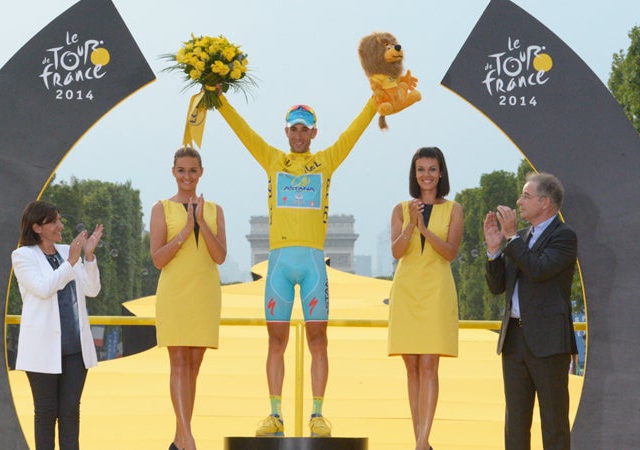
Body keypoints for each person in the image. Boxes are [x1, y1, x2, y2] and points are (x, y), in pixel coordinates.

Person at [216, 93, 377, 438]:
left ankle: (318, 414)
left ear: (314, 133)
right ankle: (275, 414)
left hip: (313, 263)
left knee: (319, 340)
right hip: (279, 264)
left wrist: (374, 101)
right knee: (276, 341)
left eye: (305, 130)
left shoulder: (326, 161)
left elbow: (353, 132)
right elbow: (244, 133)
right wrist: (219, 99)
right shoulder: (273, 159)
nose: (299, 135)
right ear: (286, 133)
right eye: (294, 130)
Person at [483, 172, 578, 450]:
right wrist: (493, 251)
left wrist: (512, 239)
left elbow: (538, 270)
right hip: (513, 341)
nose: (518, 201)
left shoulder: (564, 236)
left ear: (546, 202)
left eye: (526, 195)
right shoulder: (520, 239)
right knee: (515, 423)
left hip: (548, 342)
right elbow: (497, 286)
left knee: (554, 422)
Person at [150, 146, 227, 450]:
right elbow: (158, 259)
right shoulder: (161, 209)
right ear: (173, 172)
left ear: (201, 172)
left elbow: (220, 256)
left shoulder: (215, 210)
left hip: (205, 292)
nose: (187, 176)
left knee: (194, 366)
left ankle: (180, 439)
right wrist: (184, 231)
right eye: (181, 170)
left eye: (192, 170)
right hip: (174, 293)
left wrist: (201, 223)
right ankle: (188, 439)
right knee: (179, 363)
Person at [12, 200, 103, 450]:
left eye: (59, 220)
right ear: (37, 227)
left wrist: (88, 256)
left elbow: (92, 290)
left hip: (75, 350)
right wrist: (71, 262)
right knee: (46, 412)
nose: (60, 226)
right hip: (42, 350)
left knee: (70, 412)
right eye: (53, 221)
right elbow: (43, 289)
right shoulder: (22, 256)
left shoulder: (67, 252)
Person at [388, 146, 462, 450]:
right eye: (421, 169)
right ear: (414, 173)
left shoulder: (454, 209)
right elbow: (396, 252)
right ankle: (421, 440)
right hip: (407, 289)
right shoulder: (400, 209)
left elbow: (450, 252)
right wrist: (410, 226)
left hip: (436, 289)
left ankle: (421, 444)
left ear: (441, 172)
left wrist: (425, 231)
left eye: (432, 169)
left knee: (430, 363)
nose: (427, 175)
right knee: (412, 366)